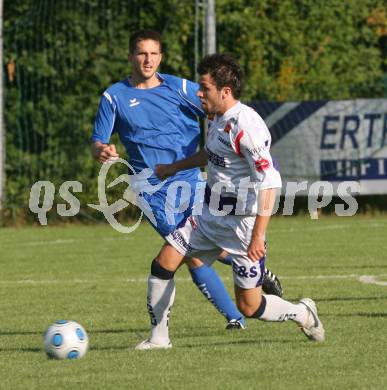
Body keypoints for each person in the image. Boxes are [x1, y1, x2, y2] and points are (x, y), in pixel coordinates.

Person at [91, 30, 282, 334]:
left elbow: (216, 104)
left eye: (153, 53)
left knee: (187, 251)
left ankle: (237, 302)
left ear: (161, 57)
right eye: (141, 53)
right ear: (130, 57)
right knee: (186, 253)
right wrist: (102, 150)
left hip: (192, 181)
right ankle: (236, 310)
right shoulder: (114, 96)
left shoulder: (179, 88)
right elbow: (97, 141)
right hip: (152, 187)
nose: (147, 59)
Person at [136, 53, 325, 350]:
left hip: (242, 227)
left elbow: (270, 181)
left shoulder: (246, 126)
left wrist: (258, 235)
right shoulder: (216, 117)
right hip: (207, 216)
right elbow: (211, 155)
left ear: (225, 91)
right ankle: (159, 338)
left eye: (205, 87)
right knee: (163, 263)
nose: (199, 93)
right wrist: (173, 167)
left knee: (250, 306)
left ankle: (302, 311)